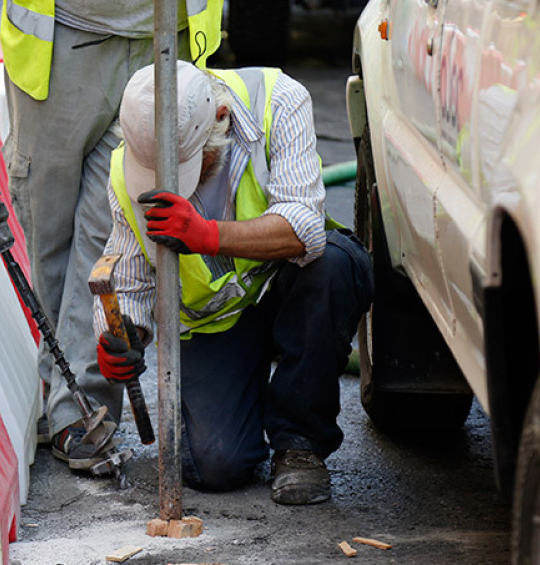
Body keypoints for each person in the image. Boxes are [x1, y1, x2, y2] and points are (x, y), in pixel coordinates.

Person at [94, 61, 374, 505]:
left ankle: (299, 442)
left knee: (336, 266)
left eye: (190, 166)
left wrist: (207, 235)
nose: (178, 185)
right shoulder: (125, 168)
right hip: (218, 322)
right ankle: (247, 396)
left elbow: (305, 228)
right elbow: (130, 274)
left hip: (289, 285)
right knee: (216, 464)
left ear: (220, 120)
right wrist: (123, 335)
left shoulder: (277, 100)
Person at [0, 1, 224, 467]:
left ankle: (80, 404)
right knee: (49, 225)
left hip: (164, 35)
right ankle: (57, 378)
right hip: (62, 37)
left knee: (113, 225)